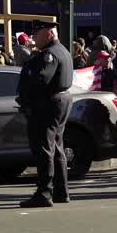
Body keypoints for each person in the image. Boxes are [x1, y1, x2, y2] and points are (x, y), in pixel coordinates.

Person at [16, 20, 75, 208]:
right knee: (56, 146)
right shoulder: (63, 51)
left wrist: (28, 98)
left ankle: (44, 192)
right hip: (60, 100)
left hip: (47, 103)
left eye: (37, 34)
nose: (34, 39)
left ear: (49, 34)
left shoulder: (49, 55)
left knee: (44, 149)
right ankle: (61, 190)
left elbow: (40, 79)